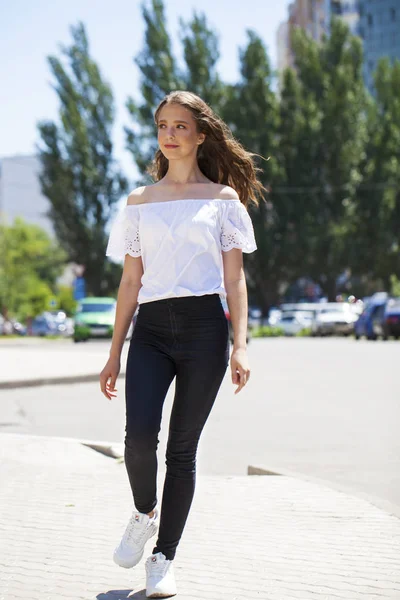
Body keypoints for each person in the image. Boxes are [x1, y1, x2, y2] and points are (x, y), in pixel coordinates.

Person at [100, 90, 265, 598]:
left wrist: (240, 344)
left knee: (182, 450)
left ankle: (164, 559)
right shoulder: (139, 203)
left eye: (179, 126)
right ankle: (143, 512)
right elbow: (130, 282)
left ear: (200, 134)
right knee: (136, 439)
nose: (169, 135)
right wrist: (113, 352)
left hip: (203, 331)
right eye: (161, 126)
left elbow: (234, 280)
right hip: (149, 330)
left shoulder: (223, 202)